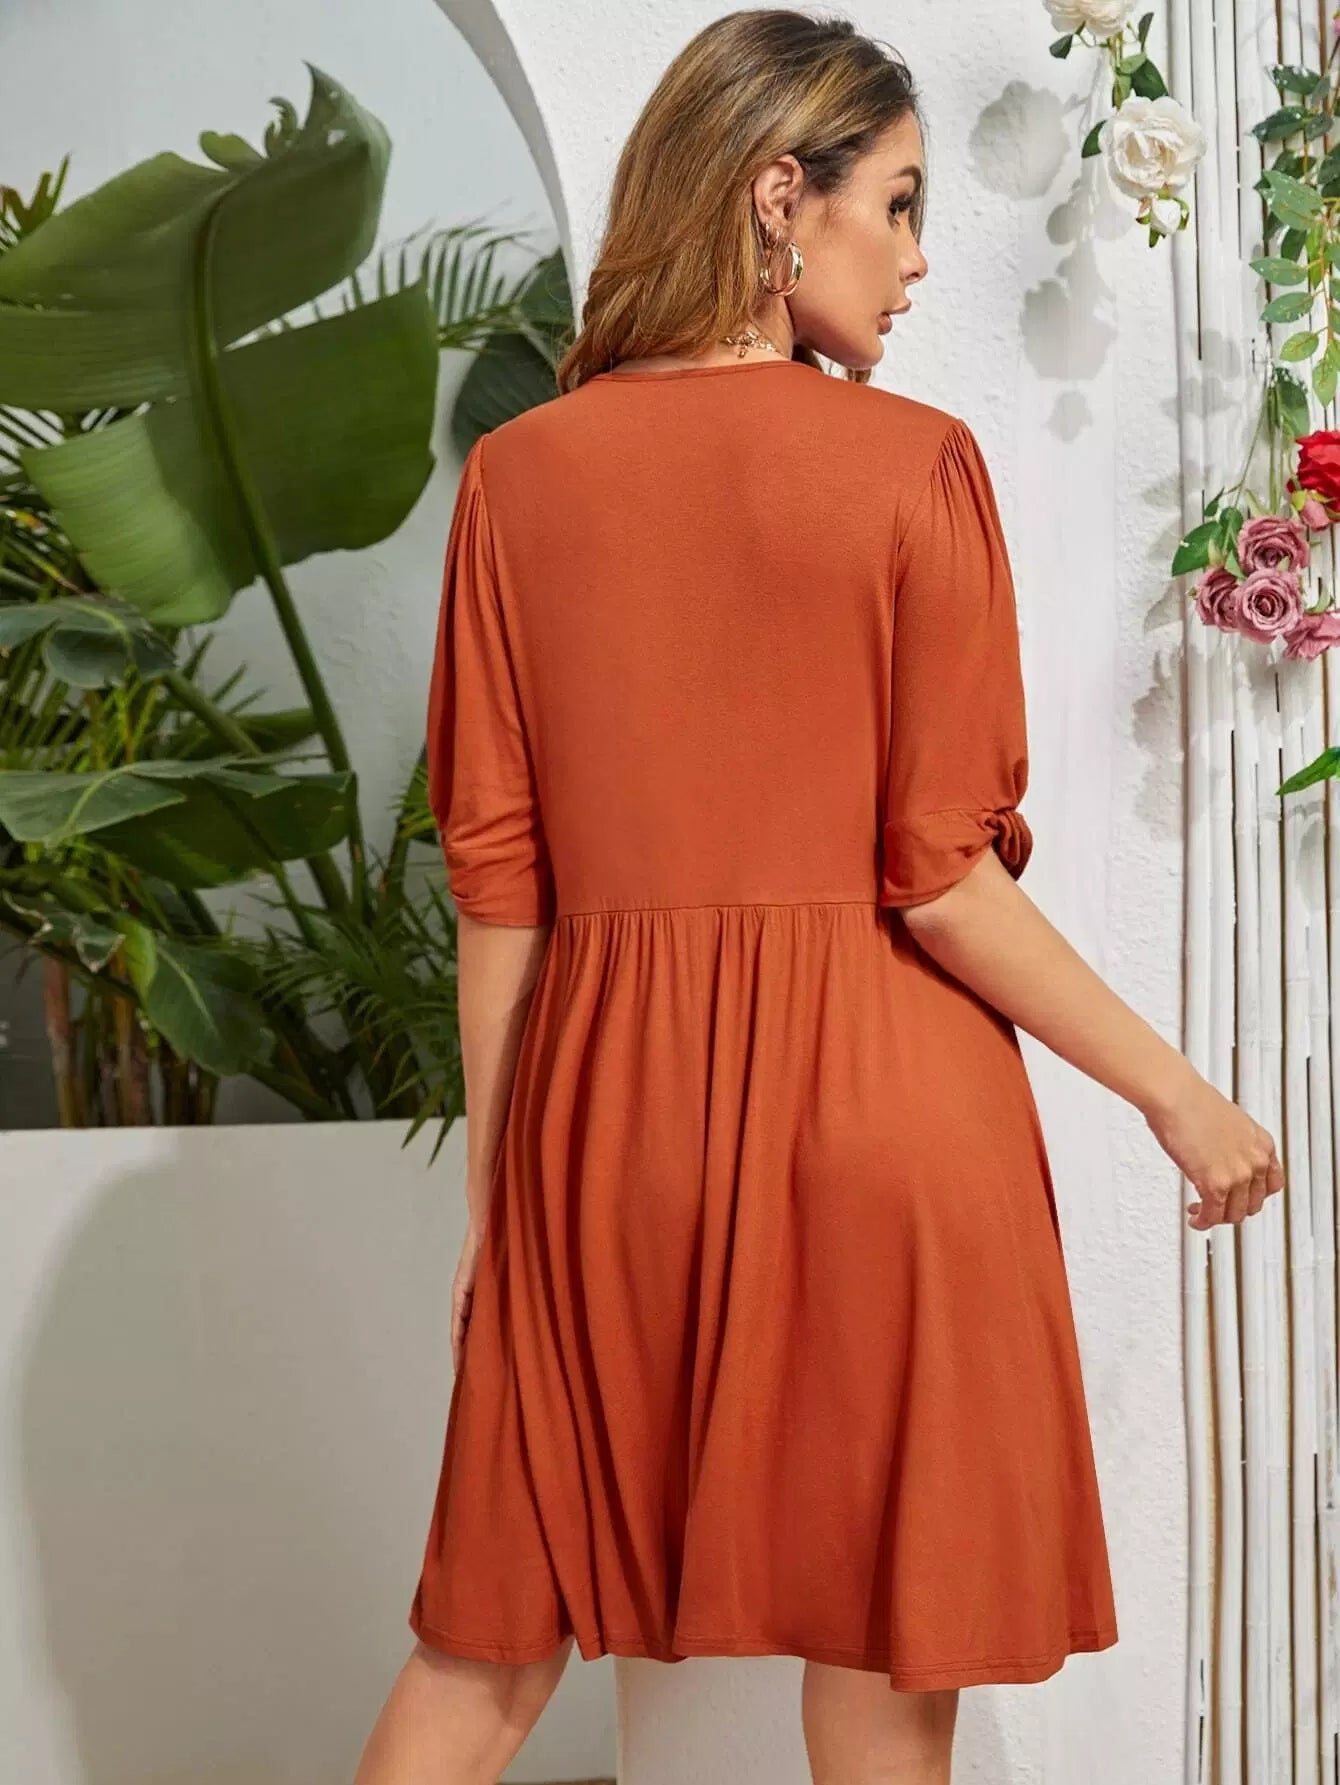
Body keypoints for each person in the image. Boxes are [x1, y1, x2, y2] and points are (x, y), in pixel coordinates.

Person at [354, 10, 1283, 1783]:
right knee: (880, 1669)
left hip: (605, 1128)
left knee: (483, 1656)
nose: (919, 259)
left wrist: (504, 1206)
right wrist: (1179, 1093)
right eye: (901, 203)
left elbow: (500, 889)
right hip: (886, 1126)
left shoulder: (520, 480)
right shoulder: (912, 465)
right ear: (781, 196)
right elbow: (940, 881)